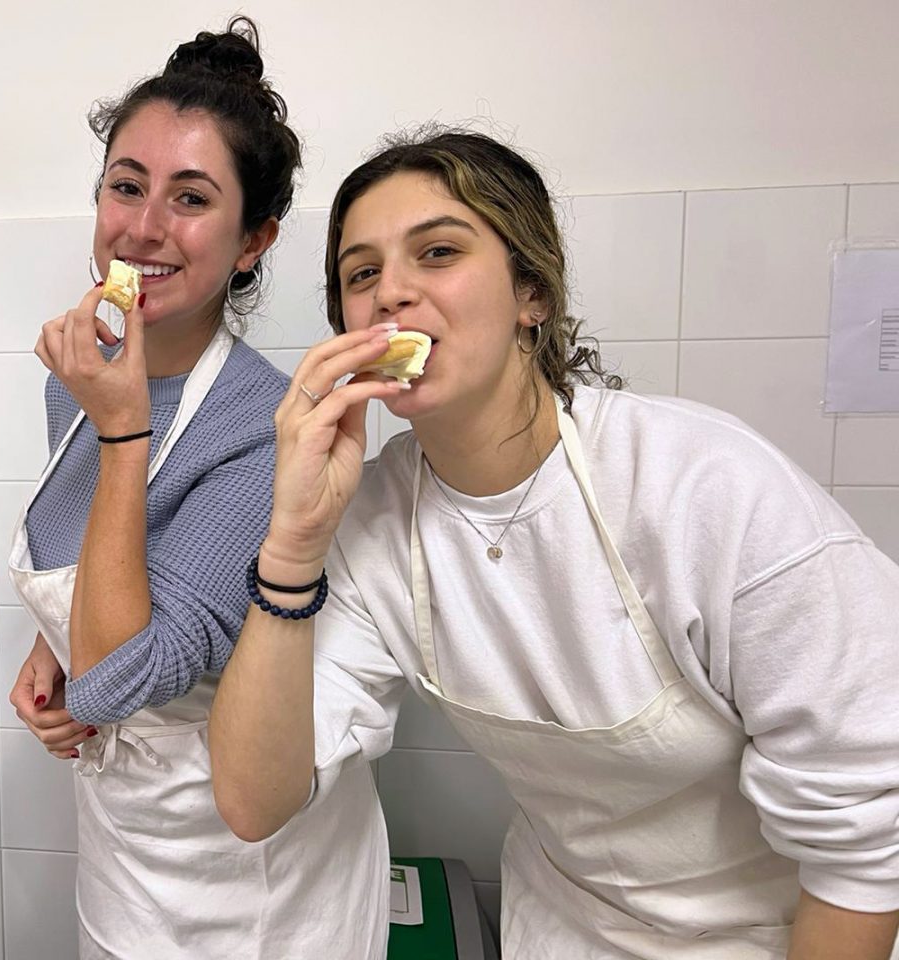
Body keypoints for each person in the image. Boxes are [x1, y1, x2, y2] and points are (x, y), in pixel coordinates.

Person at [209, 129, 899, 959]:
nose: (392, 292)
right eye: (362, 275)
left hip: (779, 934)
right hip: (563, 927)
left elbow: (865, 852)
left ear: (530, 291)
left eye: (437, 252)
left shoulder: (706, 490)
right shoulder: (376, 519)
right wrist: (293, 542)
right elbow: (254, 801)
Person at [4, 16, 386, 958]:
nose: (143, 227)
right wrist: (50, 642)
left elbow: (121, 677)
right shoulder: (80, 377)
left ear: (253, 240)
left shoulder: (269, 430)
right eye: (125, 187)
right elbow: (102, 570)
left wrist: (123, 426)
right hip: (127, 844)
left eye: (191, 199)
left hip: (250, 869)